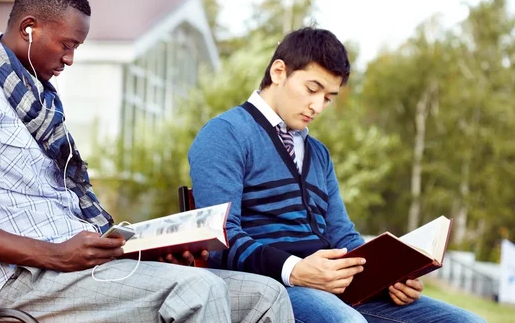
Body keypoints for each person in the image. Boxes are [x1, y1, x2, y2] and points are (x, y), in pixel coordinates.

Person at [0, 0, 293, 322]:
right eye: (67, 45)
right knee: (198, 288)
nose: (70, 59)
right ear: (29, 28)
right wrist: (53, 254)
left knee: (266, 294)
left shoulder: (39, 108)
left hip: (82, 270)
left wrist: (146, 251)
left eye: (76, 47)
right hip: (26, 281)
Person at [187, 27, 486, 323]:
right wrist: (295, 269)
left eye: (328, 97)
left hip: (338, 288)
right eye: (312, 89)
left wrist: (391, 274)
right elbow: (219, 239)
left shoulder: (318, 154)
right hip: (271, 286)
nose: (317, 106)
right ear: (279, 72)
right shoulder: (225, 134)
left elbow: (342, 235)